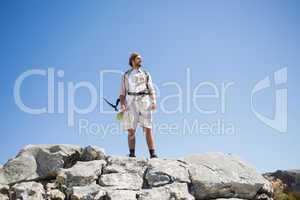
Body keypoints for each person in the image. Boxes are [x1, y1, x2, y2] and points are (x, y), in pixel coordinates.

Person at [119, 52, 158, 158]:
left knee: (148, 128)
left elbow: (151, 89)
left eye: (141, 59)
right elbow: (122, 93)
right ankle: (132, 154)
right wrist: (122, 105)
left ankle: (152, 154)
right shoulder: (126, 75)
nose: (140, 60)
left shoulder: (146, 73)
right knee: (131, 129)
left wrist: (153, 101)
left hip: (145, 101)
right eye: (138, 59)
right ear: (132, 60)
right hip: (130, 102)